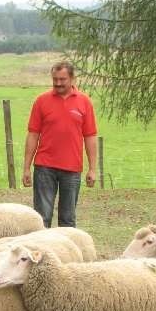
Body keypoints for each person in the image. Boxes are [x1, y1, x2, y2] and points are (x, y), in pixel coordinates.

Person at [22, 62, 97, 228]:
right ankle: (41, 251)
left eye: (62, 79)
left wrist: (92, 169)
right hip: (44, 168)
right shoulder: (41, 101)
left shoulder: (84, 102)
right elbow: (33, 134)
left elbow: (90, 136)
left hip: (72, 169)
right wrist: (26, 167)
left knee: (68, 219)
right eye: (55, 79)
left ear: (72, 79)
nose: (58, 83)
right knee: (42, 218)